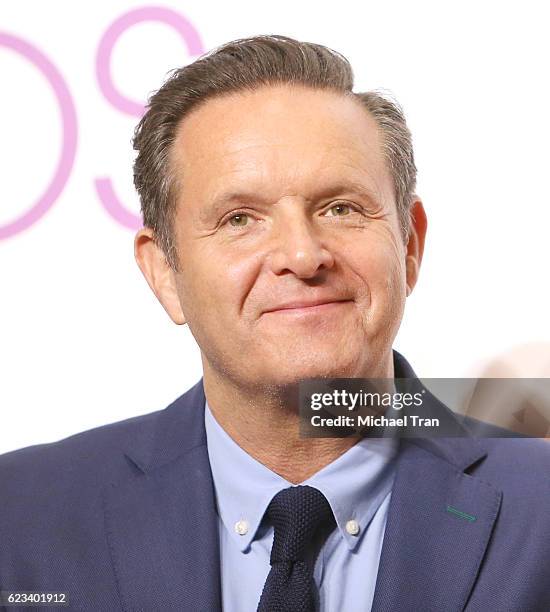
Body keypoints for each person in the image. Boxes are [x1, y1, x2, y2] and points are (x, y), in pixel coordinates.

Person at [1, 35, 549, 612]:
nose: (303, 254)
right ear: (164, 272)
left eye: (341, 208)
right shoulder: (20, 516)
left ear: (409, 245)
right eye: (241, 219)